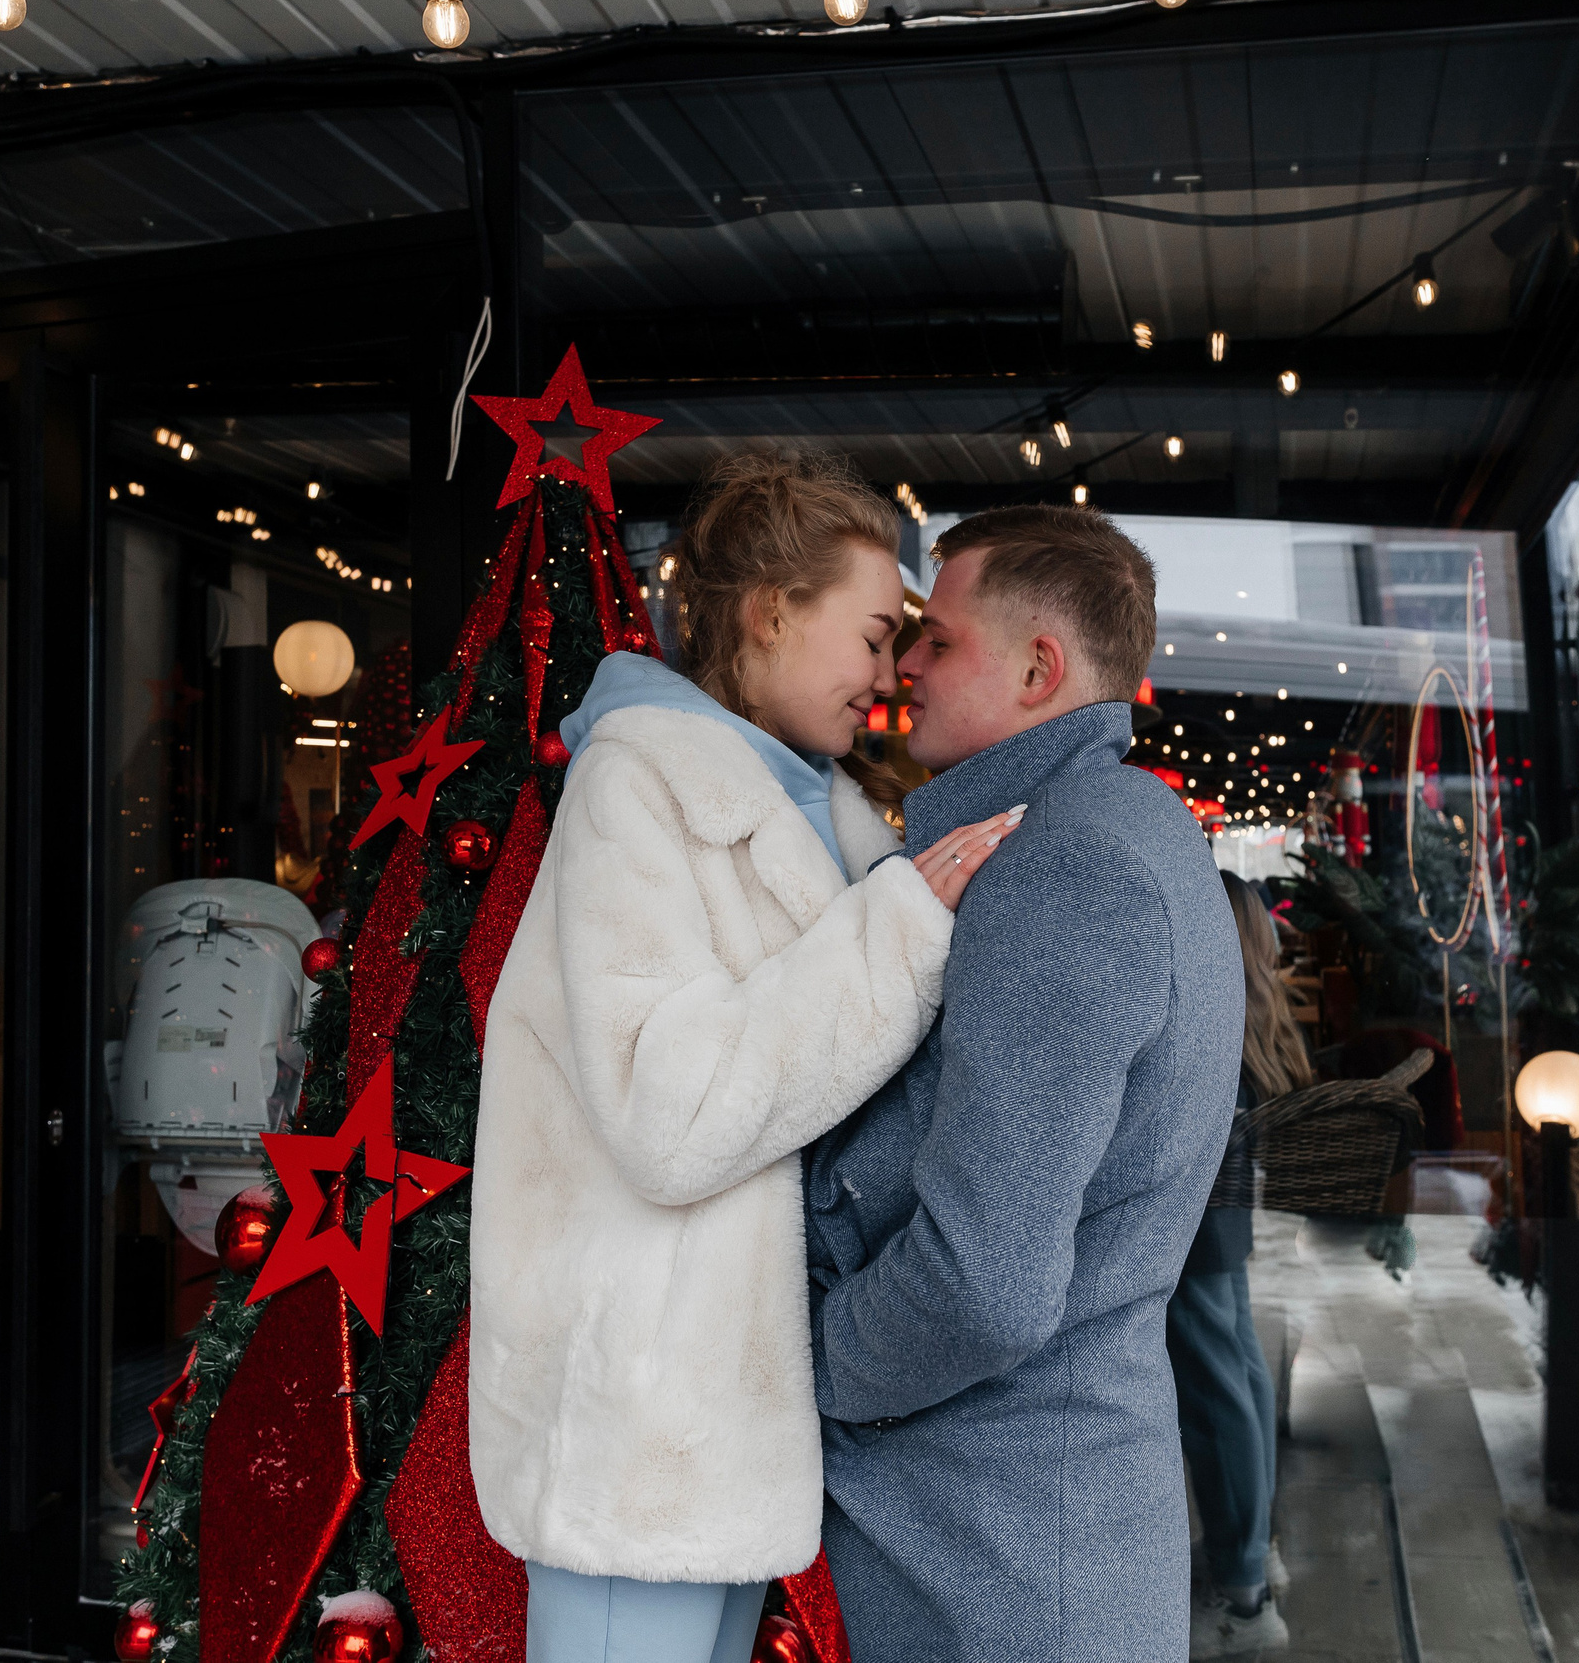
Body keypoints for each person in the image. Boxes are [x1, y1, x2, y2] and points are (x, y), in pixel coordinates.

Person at [470, 451, 1023, 1663]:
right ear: (774, 610)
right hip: (640, 1425)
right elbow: (670, 1114)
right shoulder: (639, 788)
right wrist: (896, 935)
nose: (889, 675)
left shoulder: (803, 804)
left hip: (710, 1430)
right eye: (875, 634)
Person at [804, 505, 1245, 1663]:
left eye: (937, 640)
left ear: (1040, 668)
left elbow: (981, 1285)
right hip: (1027, 1527)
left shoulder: (1065, 860)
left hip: (988, 1557)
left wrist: (789, 1367)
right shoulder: (1118, 827)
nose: (903, 662)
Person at [1172, 872, 1309, 1657]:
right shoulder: (1248, 997)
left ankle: (1246, 1597)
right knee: (1241, 1370)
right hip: (1225, 1197)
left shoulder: (1207, 1001)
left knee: (1220, 1387)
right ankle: (1255, 1549)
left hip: (1199, 1199)